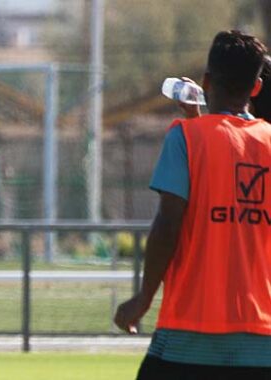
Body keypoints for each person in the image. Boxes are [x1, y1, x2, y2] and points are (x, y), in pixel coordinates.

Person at [114, 30, 271, 379]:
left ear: (206, 81)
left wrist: (143, 297)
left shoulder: (185, 138)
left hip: (188, 334)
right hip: (261, 341)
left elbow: (168, 223)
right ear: (256, 87)